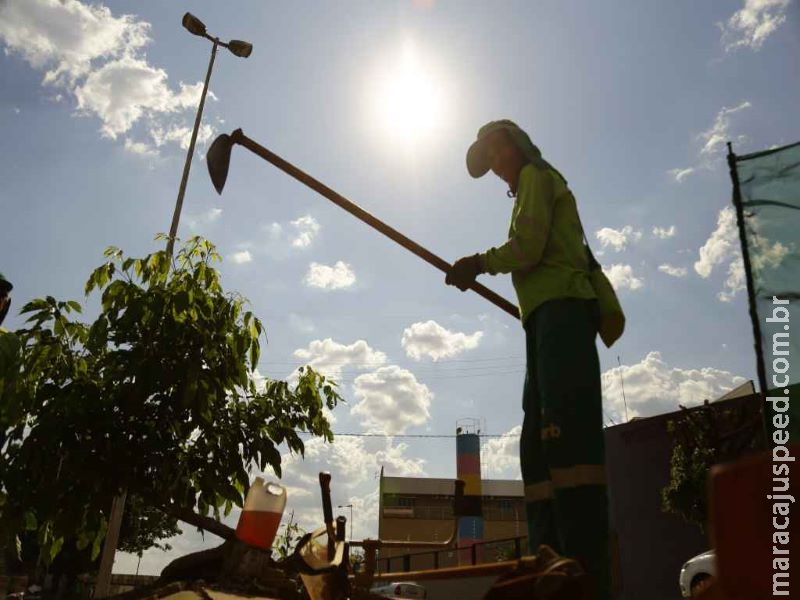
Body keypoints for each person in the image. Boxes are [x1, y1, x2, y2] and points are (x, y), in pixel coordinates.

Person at [446, 120, 611, 599]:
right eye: (490, 158)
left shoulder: (539, 178)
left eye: (499, 152)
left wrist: (477, 263)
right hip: (542, 319)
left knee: (565, 438)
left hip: (563, 312)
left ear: (517, 146)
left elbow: (528, 248)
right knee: (537, 441)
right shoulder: (525, 192)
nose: (497, 164)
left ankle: (581, 572)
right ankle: (548, 564)